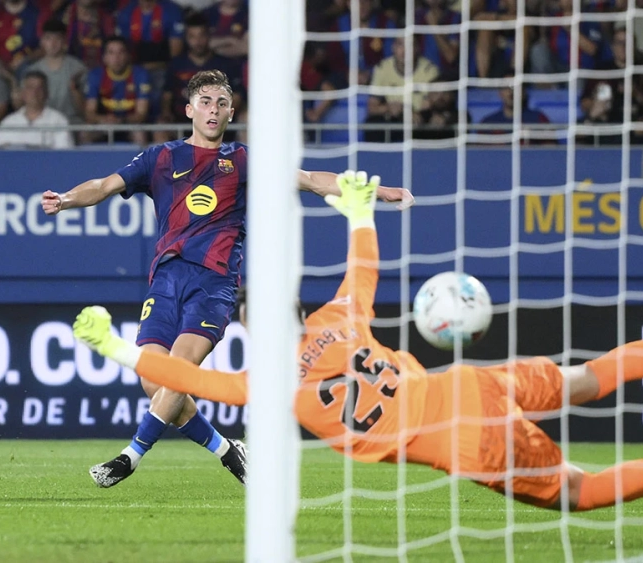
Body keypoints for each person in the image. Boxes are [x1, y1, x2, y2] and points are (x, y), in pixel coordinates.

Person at [72, 170, 643, 511]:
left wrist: (119, 349)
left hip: (467, 438)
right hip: (471, 382)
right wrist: (361, 211)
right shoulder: (337, 319)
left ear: (249, 326)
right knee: (587, 378)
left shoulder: (275, 386)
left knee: (578, 490)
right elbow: (361, 270)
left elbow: (192, 382)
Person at [43, 71, 414, 489]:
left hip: (214, 283)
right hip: (165, 279)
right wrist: (66, 200)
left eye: (221, 103)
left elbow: (310, 180)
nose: (212, 110)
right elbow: (105, 185)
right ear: (189, 110)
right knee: (154, 381)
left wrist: (377, 192)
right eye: (204, 101)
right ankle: (228, 451)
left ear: (231, 112)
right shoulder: (160, 158)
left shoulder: (242, 160)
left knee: (177, 371)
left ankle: (130, 456)